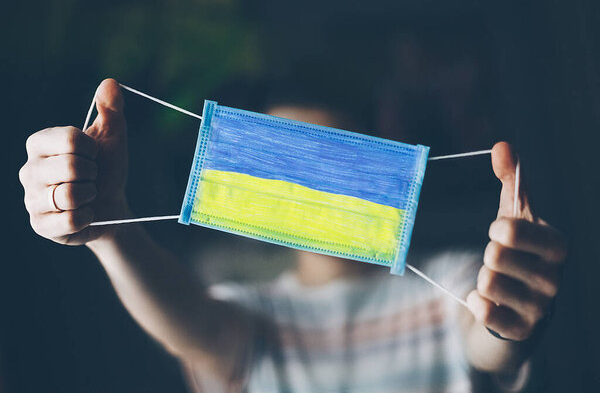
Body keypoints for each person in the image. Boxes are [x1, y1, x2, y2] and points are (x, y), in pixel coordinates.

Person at [19, 79, 567, 392]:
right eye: (282, 162)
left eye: (330, 156)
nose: (310, 183)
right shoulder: (251, 320)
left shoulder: (447, 284)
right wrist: (111, 229)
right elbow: (190, 326)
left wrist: (507, 319)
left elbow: (486, 330)